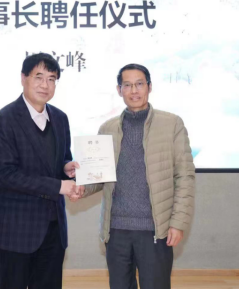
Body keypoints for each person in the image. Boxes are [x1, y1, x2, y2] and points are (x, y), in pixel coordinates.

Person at [78, 63, 195, 289]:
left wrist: (178, 223)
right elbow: (100, 177)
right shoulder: (107, 128)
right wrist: (81, 185)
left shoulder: (172, 124)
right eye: (127, 85)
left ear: (149, 87)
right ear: (119, 89)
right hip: (116, 230)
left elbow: (185, 177)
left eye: (139, 84)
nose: (134, 91)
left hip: (156, 230)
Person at [0, 53, 81, 289]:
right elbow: (8, 174)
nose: (45, 85)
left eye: (51, 79)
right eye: (38, 77)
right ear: (23, 78)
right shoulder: (4, 119)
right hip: (15, 229)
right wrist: (59, 186)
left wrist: (66, 167)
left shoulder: (60, 118)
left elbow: (61, 159)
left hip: (53, 229)